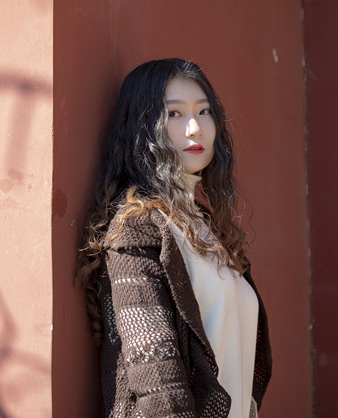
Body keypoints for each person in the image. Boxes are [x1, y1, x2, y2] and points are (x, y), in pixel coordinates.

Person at [77, 58, 272, 418]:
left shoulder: (206, 225)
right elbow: (157, 377)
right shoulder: (136, 227)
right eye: (174, 114)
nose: (195, 128)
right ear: (143, 127)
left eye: (204, 111)